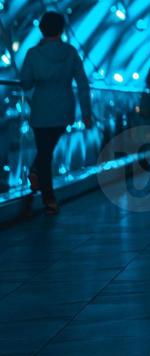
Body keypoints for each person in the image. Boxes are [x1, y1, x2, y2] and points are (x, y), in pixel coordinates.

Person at [19, 11, 92, 215]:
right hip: (64, 110)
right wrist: (87, 113)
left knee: (44, 151)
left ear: (42, 30)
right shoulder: (71, 53)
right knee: (47, 150)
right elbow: (83, 84)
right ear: (61, 29)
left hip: (41, 109)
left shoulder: (33, 54)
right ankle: (39, 178)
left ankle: (48, 198)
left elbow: (25, 83)